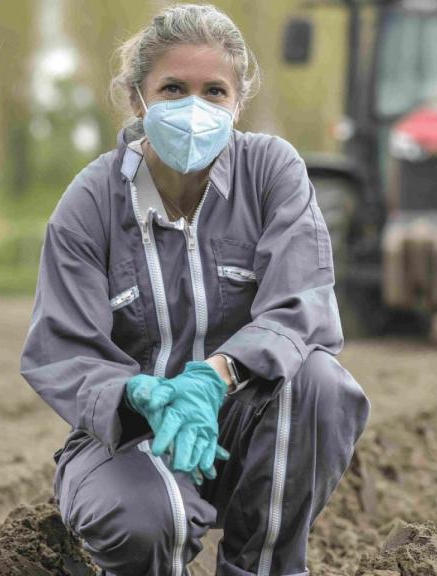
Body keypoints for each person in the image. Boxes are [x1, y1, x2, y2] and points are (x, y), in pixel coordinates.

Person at [19, 4, 370, 575]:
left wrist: (216, 376)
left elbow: (301, 303)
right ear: (138, 98)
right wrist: (136, 396)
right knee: (150, 522)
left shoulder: (271, 171)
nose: (193, 108)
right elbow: (60, 349)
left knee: (321, 384)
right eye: (173, 88)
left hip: (241, 428)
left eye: (214, 92)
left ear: (237, 103)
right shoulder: (90, 202)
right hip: (130, 441)